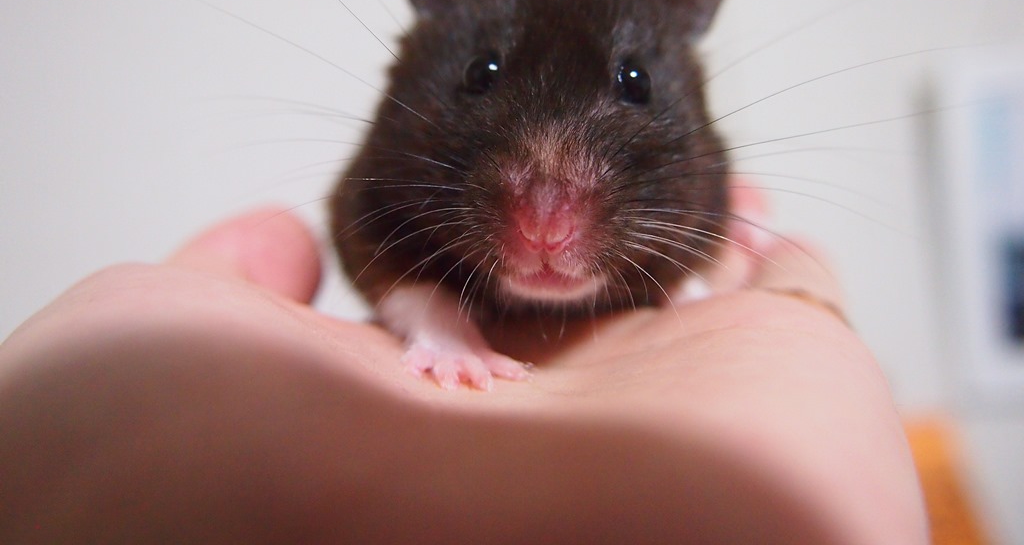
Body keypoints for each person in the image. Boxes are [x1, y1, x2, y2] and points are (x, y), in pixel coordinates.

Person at [0, 204, 927, 544]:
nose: (549, 222)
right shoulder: (387, 198)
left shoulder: (695, 206)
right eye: (486, 75)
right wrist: (434, 321)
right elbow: (368, 229)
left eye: (631, 86)